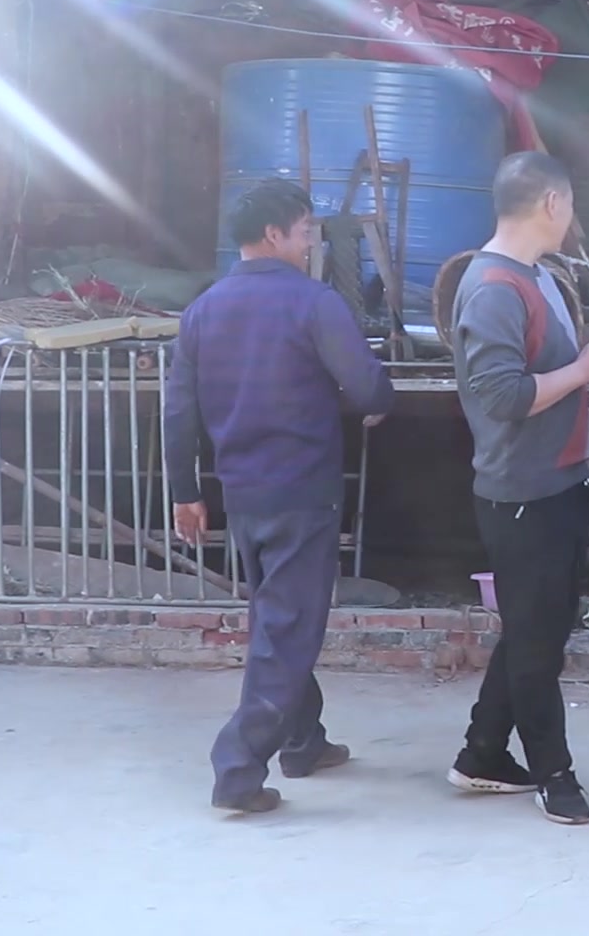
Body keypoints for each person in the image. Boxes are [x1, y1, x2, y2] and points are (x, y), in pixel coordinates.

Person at [166, 177, 395, 815]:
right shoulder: (314, 303)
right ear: (275, 235)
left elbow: (178, 414)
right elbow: (370, 389)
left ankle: (303, 740)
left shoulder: (203, 310)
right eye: (303, 232)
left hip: (242, 495)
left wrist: (186, 492)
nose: (308, 243)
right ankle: (236, 768)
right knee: (288, 630)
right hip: (303, 490)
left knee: (278, 619)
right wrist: (374, 399)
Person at [447, 150, 589, 826]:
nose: (572, 217)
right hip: (520, 492)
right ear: (551, 203)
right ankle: (556, 774)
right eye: (571, 204)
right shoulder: (495, 287)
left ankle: (482, 752)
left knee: (535, 630)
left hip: (555, 479)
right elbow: (504, 396)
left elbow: (550, 375)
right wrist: (585, 373)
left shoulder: (536, 277)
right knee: (536, 642)